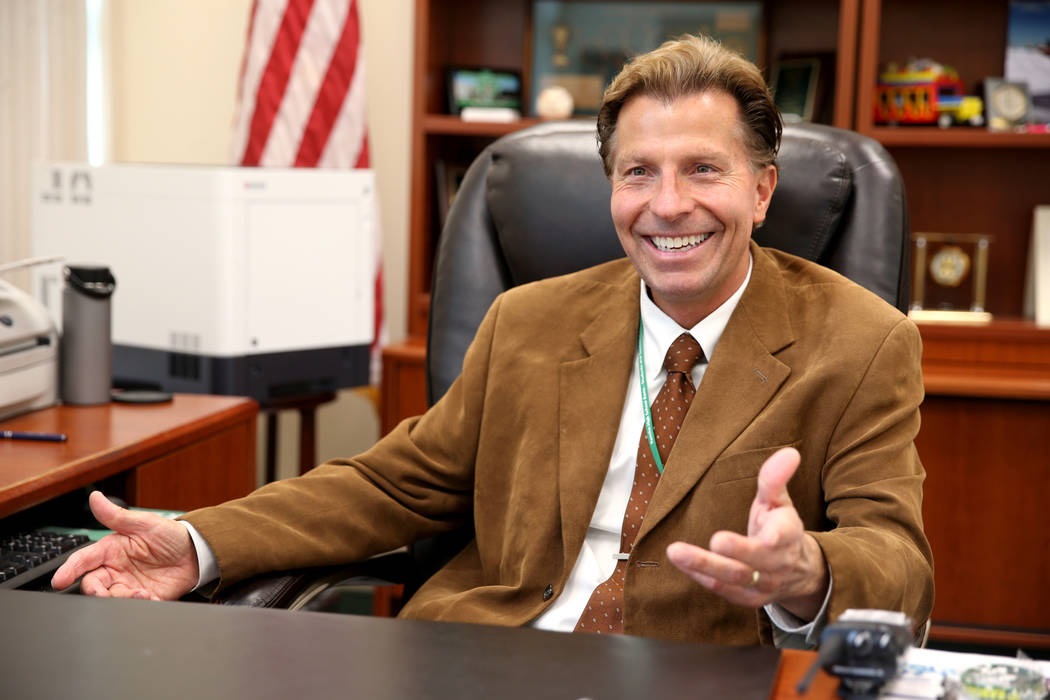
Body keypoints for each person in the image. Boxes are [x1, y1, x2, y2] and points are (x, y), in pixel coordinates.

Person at [53, 34, 933, 647]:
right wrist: (199, 540)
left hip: (698, 674)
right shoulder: (530, 320)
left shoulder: (860, 342)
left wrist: (809, 570)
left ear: (764, 189)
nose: (668, 205)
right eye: (638, 174)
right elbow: (390, 483)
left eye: (704, 169)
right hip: (484, 657)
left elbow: (897, 560)